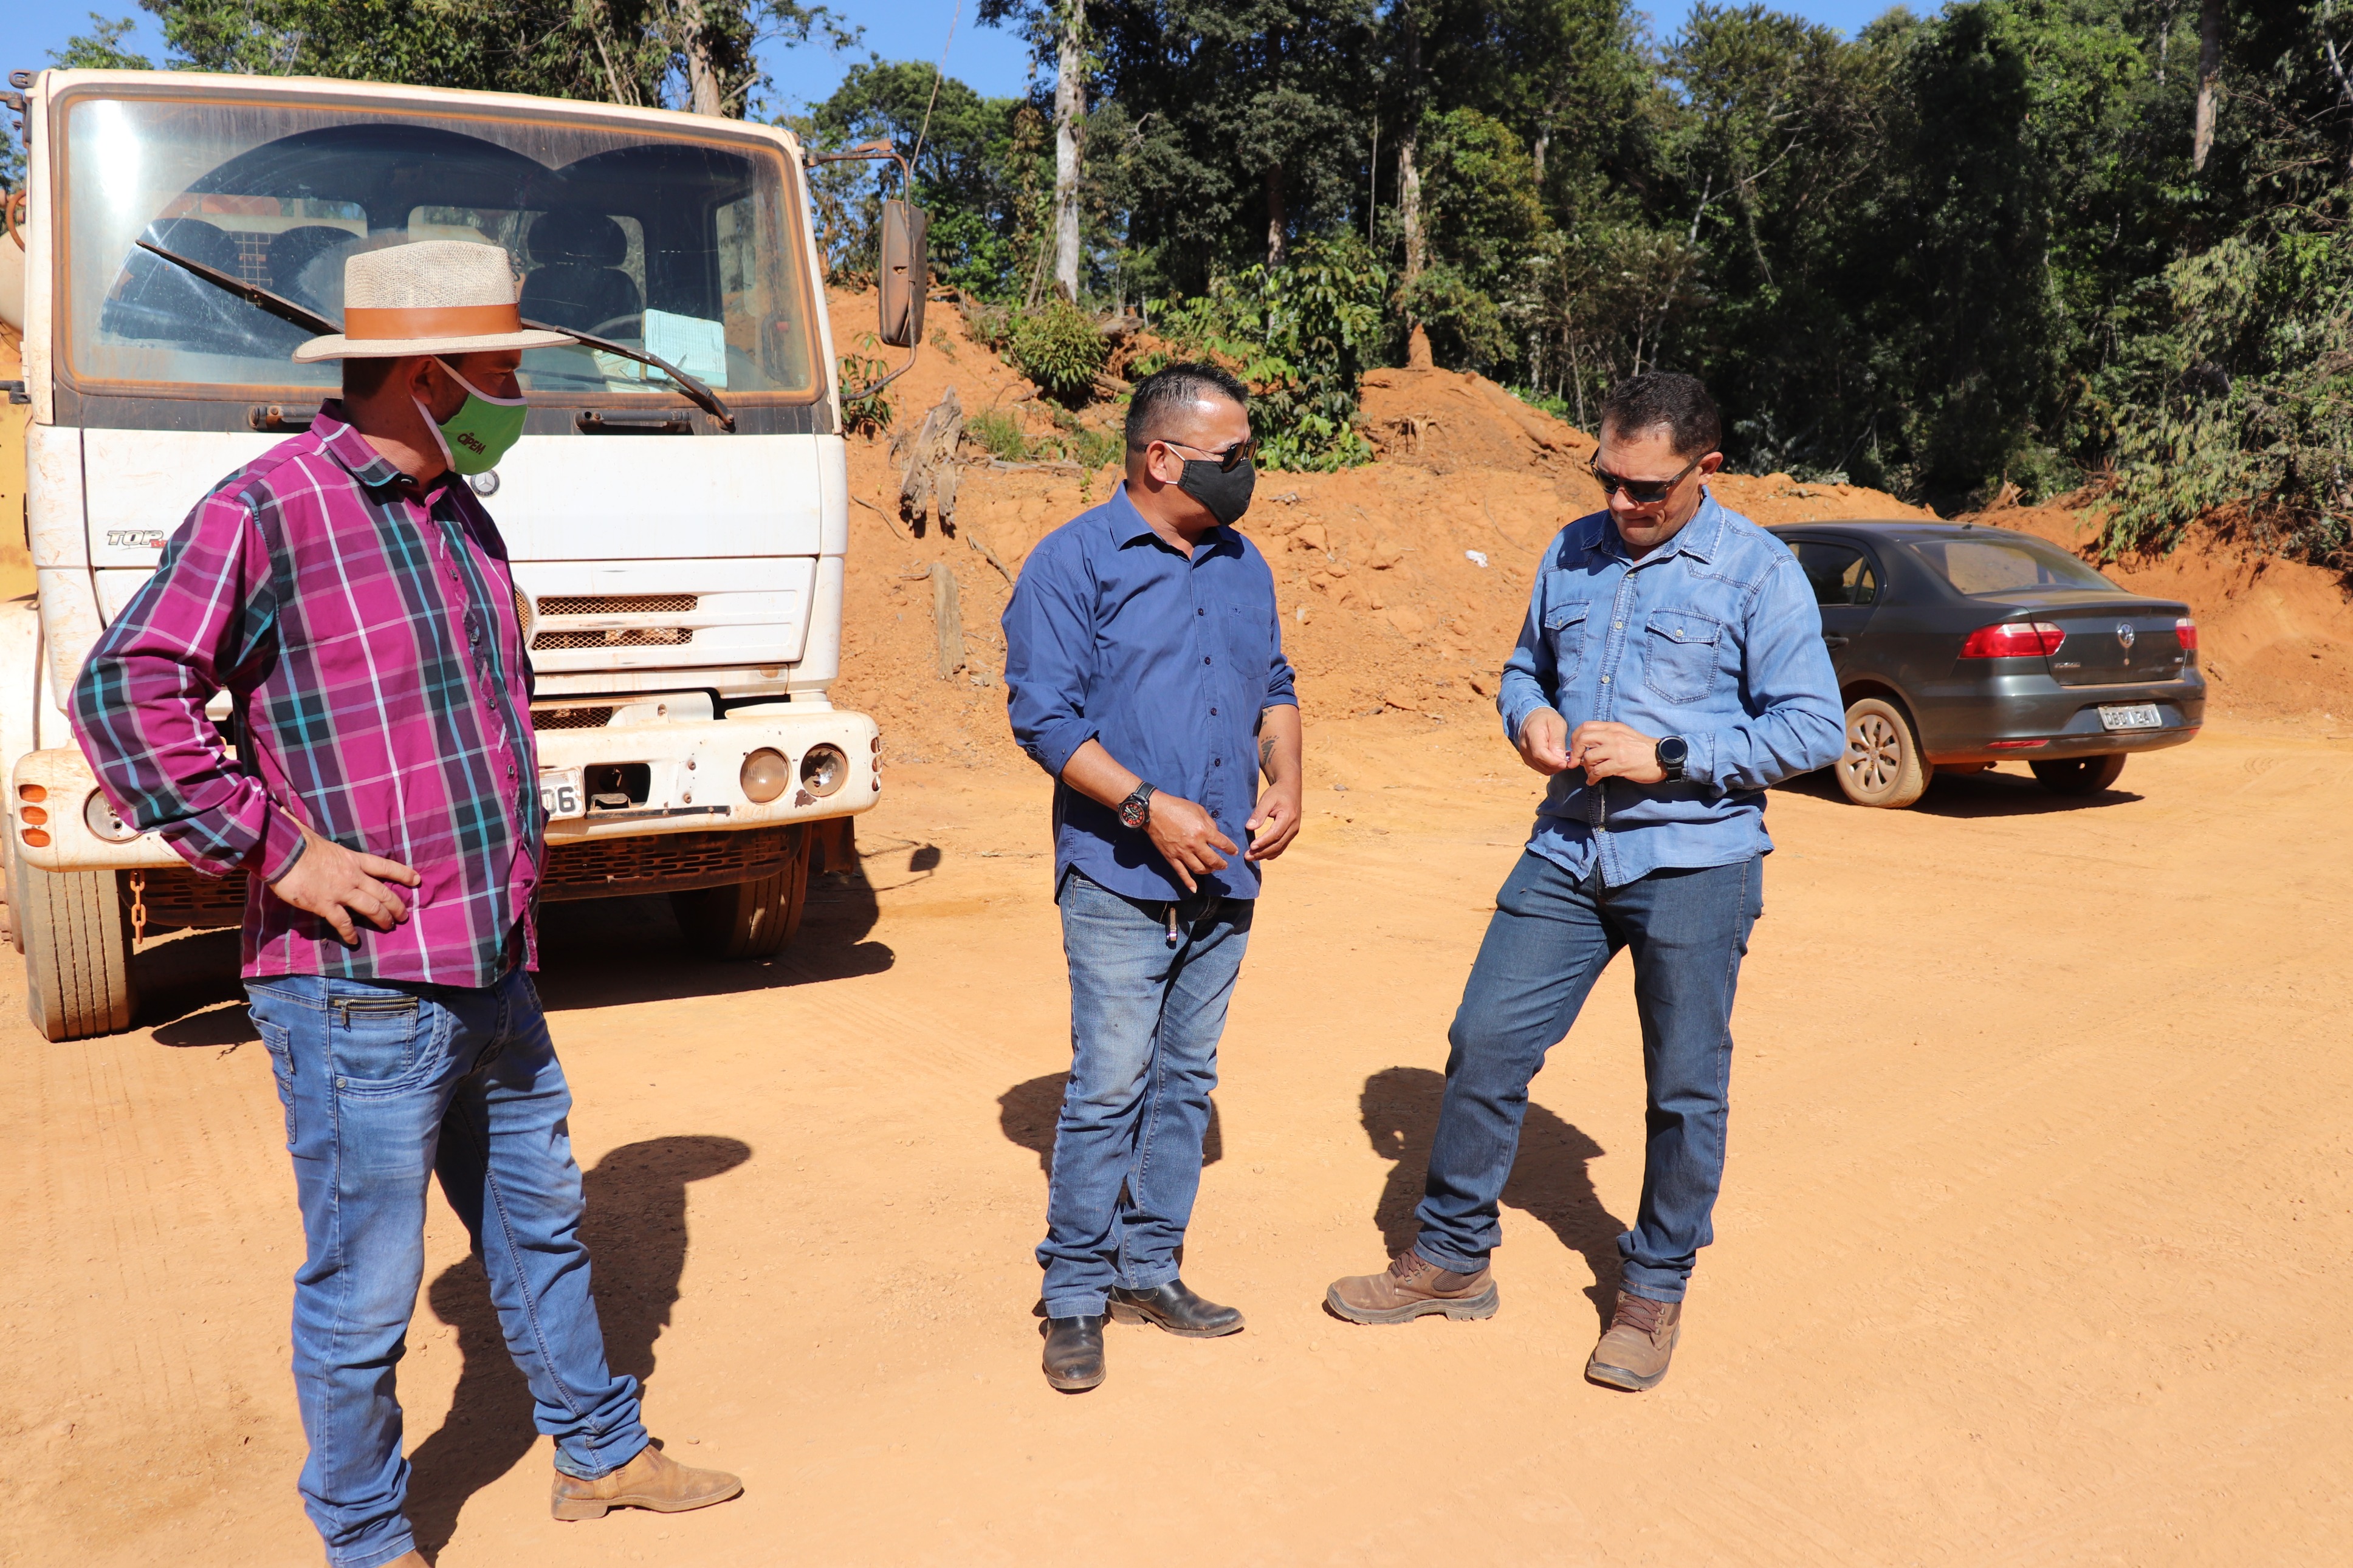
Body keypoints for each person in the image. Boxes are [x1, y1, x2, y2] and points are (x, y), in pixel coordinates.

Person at [70, 241, 741, 1568]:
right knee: (366, 1290)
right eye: (502, 373)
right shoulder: (270, 509)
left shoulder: (456, 512)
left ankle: (599, 1454)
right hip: (359, 992)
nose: (519, 399)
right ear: (430, 378)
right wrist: (280, 851)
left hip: (490, 959)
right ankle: (368, 1537)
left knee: (540, 1226)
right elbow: (124, 693)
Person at [1324, 371, 1843, 1391]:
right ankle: (1453, 1256)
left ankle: (1653, 1289)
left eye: (1646, 488)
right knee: (1484, 1038)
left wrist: (1670, 755)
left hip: (1696, 858)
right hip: (1568, 849)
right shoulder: (1571, 550)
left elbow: (1814, 726)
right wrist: (1529, 718)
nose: (1621, 502)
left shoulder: (1758, 571)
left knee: (1684, 1084)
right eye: (1607, 477)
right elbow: (1524, 668)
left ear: (1706, 468)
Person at [1001, 361, 1304, 1392]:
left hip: (1227, 870)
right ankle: (1075, 1290)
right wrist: (1145, 807)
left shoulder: (1244, 564)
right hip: (1118, 875)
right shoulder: (1072, 562)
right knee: (1110, 1083)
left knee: (1186, 1081)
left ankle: (1148, 1267)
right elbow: (1044, 720)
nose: (1248, 470)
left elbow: (1274, 685)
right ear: (1163, 458)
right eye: (1234, 455)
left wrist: (1288, 780)